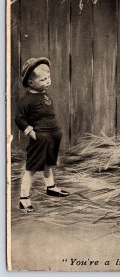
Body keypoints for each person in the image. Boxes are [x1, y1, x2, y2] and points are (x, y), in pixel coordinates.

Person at [15, 57, 69, 213]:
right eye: (43, 79)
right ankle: (24, 198)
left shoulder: (45, 96)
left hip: (53, 135)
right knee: (32, 168)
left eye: (49, 77)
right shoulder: (26, 101)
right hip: (40, 137)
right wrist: (31, 132)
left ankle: (50, 187)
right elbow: (19, 119)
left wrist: (55, 132)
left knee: (48, 163)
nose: (48, 81)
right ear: (31, 82)